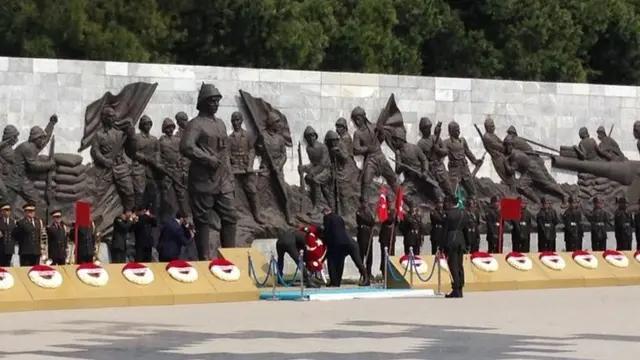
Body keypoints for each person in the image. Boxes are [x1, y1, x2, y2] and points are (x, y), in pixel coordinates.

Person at [180, 83, 238, 260]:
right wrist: (207, 159)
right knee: (202, 221)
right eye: (212, 101)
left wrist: (230, 177)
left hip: (223, 181)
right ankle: (204, 259)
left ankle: (228, 258)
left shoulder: (220, 123)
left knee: (230, 216)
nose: (215, 104)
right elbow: (186, 146)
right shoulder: (195, 124)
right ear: (203, 102)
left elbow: (224, 151)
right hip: (203, 181)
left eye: (217, 101)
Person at [322, 207, 368, 287]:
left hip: (337, 243)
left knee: (331, 262)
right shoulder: (339, 217)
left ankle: (334, 282)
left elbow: (328, 231)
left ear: (325, 212)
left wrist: (324, 240)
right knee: (355, 262)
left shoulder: (327, 217)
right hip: (348, 242)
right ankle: (366, 279)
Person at [442, 195, 468, 298]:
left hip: (451, 240)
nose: (445, 204)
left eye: (447, 202)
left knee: (453, 265)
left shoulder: (448, 214)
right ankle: (460, 287)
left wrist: (442, 244)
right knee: (460, 265)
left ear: (451, 203)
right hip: (461, 240)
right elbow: (466, 229)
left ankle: (455, 289)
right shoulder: (464, 214)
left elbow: (445, 231)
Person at [355, 197, 375, 280]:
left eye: (366, 202)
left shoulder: (369, 212)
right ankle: (363, 274)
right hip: (362, 235)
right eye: (364, 202)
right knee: (362, 255)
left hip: (368, 235)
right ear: (361, 203)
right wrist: (371, 222)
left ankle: (369, 273)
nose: (365, 204)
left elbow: (372, 222)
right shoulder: (359, 212)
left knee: (369, 256)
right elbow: (366, 221)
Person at [378, 208, 397, 273]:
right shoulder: (384, 210)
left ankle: (391, 272)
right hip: (384, 238)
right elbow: (388, 221)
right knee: (384, 256)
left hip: (391, 239)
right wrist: (393, 216)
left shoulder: (393, 211)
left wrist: (397, 216)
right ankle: (384, 272)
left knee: (392, 255)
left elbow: (397, 223)